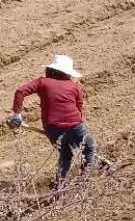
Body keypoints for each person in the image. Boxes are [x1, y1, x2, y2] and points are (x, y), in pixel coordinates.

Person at [8, 54, 97, 186]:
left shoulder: (42, 82)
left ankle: (59, 189)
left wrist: (17, 115)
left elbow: (20, 91)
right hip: (75, 126)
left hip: (52, 128)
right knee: (89, 148)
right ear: (67, 72)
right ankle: (85, 183)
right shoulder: (75, 86)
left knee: (66, 155)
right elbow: (79, 108)